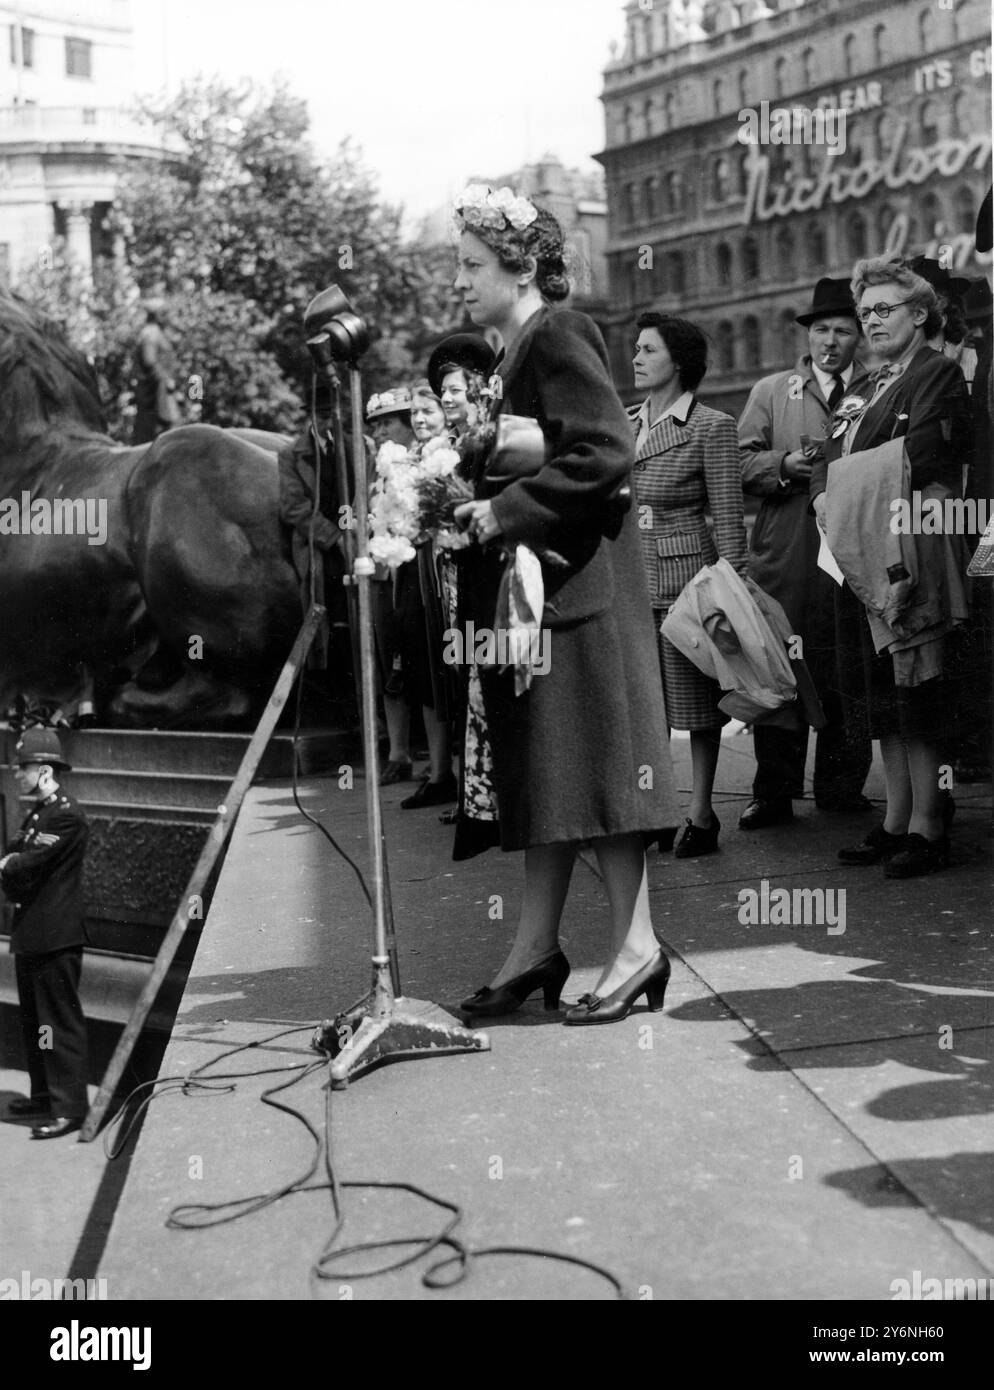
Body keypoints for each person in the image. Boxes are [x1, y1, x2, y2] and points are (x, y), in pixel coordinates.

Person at [450, 184, 680, 1025]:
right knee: (549, 778)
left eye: (472, 265)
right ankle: (536, 947)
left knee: (600, 778)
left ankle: (638, 947)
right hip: (541, 599)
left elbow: (607, 448)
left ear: (521, 267)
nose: (460, 280)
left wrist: (501, 510)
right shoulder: (513, 354)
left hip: (578, 596)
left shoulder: (559, 333)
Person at [811, 256, 973, 879]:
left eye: (885, 309)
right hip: (855, 550)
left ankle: (930, 825)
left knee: (918, 688)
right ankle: (896, 818)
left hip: (910, 546)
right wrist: (825, 492)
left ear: (920, 314)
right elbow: (828, 454)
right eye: (865, 312)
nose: (871, 321)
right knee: (880, 694)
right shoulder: (860, 385)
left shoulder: (937, 374)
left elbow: (929, 447)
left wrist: (839, 484)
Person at [738, 277, 873, 827]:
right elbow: (739, 463)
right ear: (808, 335)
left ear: (859, 337)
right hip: (787, 552)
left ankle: (841, 787)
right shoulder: (773, 390)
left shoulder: (878, 386)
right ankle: (773, 793)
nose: (831, 342)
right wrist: (782, 467)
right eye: (822, 330)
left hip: (850, 550)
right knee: (777, 668)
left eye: (844, 330)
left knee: (849, 664)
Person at [630, 312, 748, 857]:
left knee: (697, 706)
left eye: (649, 350)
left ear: (678, 362)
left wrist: (734, 590)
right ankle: (655, 810)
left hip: (687, 585)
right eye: (636, 348)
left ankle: (701, 815)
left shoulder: (711, 425)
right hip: (629, 584)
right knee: (643, 707)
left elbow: (727, 515)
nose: (636, 358)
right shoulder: (626, 423)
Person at [0, 728, 90, 1139]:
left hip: (55, 935)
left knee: (58, 1021)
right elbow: (14, 859)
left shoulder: (67, 814)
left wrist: (11, 864)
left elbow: (25, 863)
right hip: (35, 933)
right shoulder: (39, 813)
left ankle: (69, 1108)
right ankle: (44, 1097)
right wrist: (12, 864)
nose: (17, 774)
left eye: (24, 767)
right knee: (37, 1022)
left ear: (46, 770)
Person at [396, 381, 459, 809]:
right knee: (423, 674)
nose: (419, 420)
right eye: (415, 413)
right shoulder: (407, 458)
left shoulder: (453, 453)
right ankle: (439, 774)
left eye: (428, 412)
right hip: (413, 574)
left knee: (452, 673)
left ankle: (465, 778)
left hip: (446, 575)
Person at [365, 387, 417, 784]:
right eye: (376, 425)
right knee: (389, 666)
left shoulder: (425, 460)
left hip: (418, 574)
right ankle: (397, 754)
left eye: (388, 423)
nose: (380, 431)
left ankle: (439, 761)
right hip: (384, 577)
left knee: (430, 669)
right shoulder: (374, 468)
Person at [427, 333, 497, 438]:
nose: (445, 398)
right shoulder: (442, 447)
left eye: (455, 390)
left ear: (477, 393)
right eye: (443, 391)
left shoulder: (493, 438)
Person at [131, 301, 182, 445]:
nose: (168, 318)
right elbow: (150, 361)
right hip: (157, 389)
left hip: (161, 387)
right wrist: (167, 380)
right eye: (164, 314)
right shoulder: (151, 332)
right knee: (170, 425)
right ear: (157, 315)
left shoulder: (156, 332)